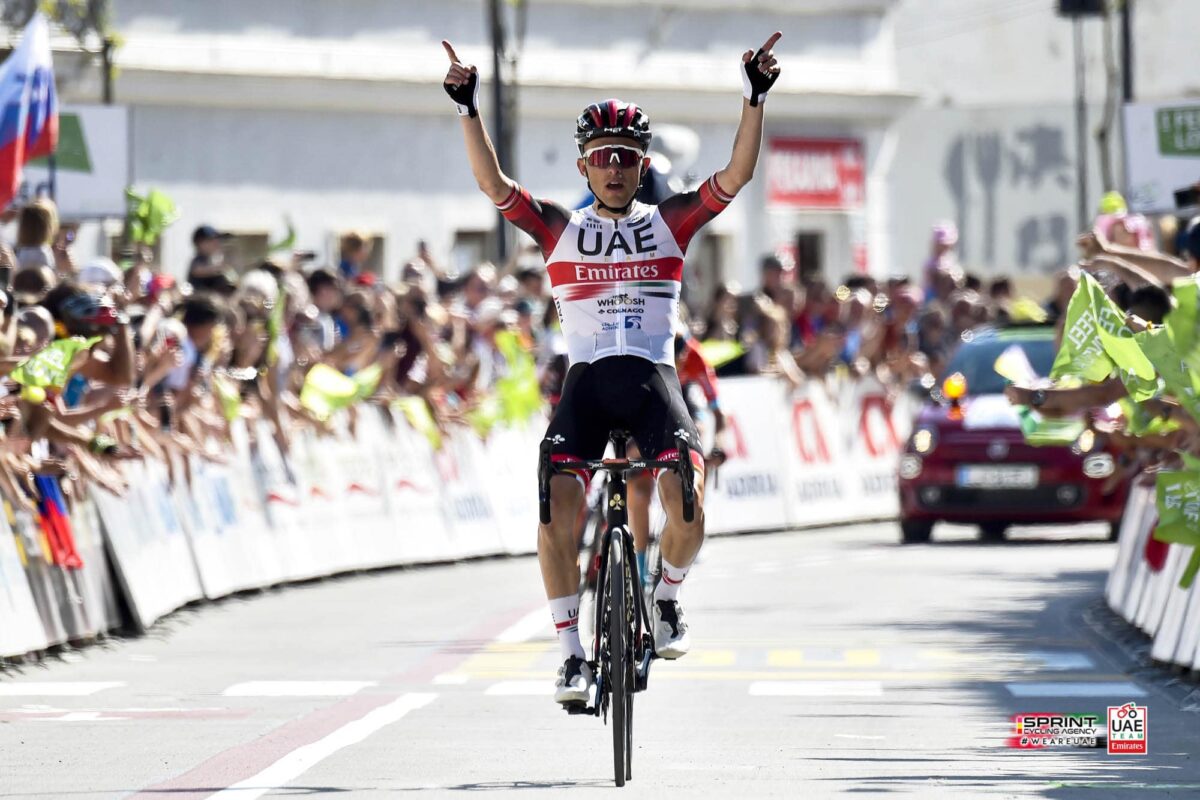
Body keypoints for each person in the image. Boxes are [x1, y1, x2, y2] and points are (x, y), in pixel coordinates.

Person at [443, 31, 782, 705]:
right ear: (584, 168)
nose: (616, 169)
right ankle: (570, 653)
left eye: (627, 158)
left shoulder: (670, 223)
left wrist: (753, 97)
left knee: (686, 489)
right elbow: (493, 185)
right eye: (603, 159)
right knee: (554, 505)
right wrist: (466, 107)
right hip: (588, 384)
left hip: (654, 379)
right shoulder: (559, 230)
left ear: (643, 162)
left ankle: (668, 599)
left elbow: (736, 176)